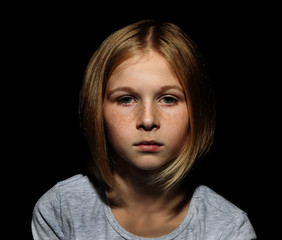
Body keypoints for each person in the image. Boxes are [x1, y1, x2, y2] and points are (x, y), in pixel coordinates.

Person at [31, 20, 257, 239]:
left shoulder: (229, 228)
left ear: (196, 112)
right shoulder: (60, 210)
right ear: (97, 109)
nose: (148, 120)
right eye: (127, 99)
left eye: (168, 99)